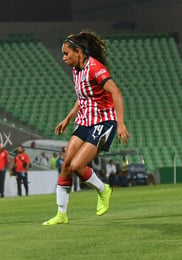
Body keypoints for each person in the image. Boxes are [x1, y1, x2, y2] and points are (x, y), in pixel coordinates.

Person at [42, 31, 130, 225]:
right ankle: (61, 214)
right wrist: (68, 118)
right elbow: (83, 97)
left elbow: (116, 92)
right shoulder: (76, 69)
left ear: (78, 51)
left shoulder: (95, 68)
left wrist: (121, 123)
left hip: (103, 122)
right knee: (66, 165)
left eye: (66, 54)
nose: (64, 58)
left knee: (77, 166)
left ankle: (103, 189)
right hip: (84, 121)